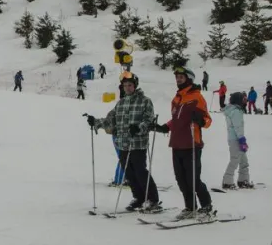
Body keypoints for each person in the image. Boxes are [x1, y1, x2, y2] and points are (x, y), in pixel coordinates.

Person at [86, 73, 161, 213]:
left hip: (138, 143)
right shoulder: (120, 103)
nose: (127, 88)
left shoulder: (145, 101)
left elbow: (149, 120)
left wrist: (139, 127)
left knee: (140, 171)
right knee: (129, 173)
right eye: (125, 86)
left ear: (135, 86)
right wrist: (95, 122)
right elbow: (110, 121)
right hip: (123, 143)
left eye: (130, 85)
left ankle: (152, 199)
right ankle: (138, 198)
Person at [152, 67, 216, 220]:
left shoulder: (197, 97)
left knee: (193, 179)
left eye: (181, 77)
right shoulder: (176, 98)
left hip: (192, 143)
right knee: (181, 179)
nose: (178, 79)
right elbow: (176, 120)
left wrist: (200, 121)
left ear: (189, 79)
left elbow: (208, 120)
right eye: (177, 77)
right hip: (177, 143)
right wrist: (165, 127)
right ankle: (190, 207)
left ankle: (206, 206)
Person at [221, 91, 252, 190]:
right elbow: (237, 127)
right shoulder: (236, 112)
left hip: (236, 139)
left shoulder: (234, 110)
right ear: (238, 100)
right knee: (235, 160)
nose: (245, 101)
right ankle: (227, 181)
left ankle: (243, 180)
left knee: (243, 161)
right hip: (236, 140)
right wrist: (242, 140)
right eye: (243, 99)